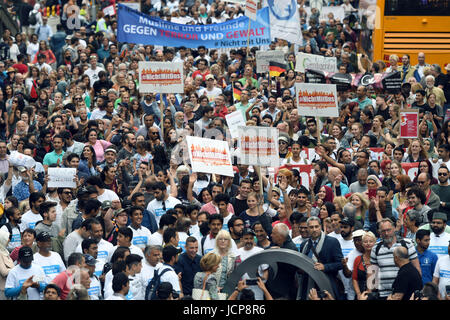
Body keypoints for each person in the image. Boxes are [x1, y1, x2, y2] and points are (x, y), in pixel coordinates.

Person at [370, 218, 421, 299]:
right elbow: (372, 273)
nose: (386, 233)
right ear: (379, 232)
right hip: (383, 294)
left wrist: (417, 290)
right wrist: (370, 293)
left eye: (389, 230)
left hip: (405, 293)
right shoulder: (376, 248)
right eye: (383, 231)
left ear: (394, 229)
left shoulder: (407, 244)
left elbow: (417, 268)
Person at [300, 217, 344, 300]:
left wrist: (325, 267)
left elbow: (340, 264)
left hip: (326, 284)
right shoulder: (304, 244)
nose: (314, 229)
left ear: (320, 227)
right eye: (311, 227)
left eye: (316, 226)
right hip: (307, 286)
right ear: (308, 229)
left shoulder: (332, 242)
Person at [235, 228, 269, 300]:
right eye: (246, 238)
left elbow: (265, 271)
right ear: (241, 239)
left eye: (251, 238)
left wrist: (262, 281)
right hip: (242, 288)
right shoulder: (237, 252)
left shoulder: (260, 251)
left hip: (257, 288)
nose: (249, 241)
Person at [0, 229, 13, 300]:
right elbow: (4, 272)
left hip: (8, 286)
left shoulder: (4, 251)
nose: (8, 240)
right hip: (2, 289)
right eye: (6, 238)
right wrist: (17, 269)